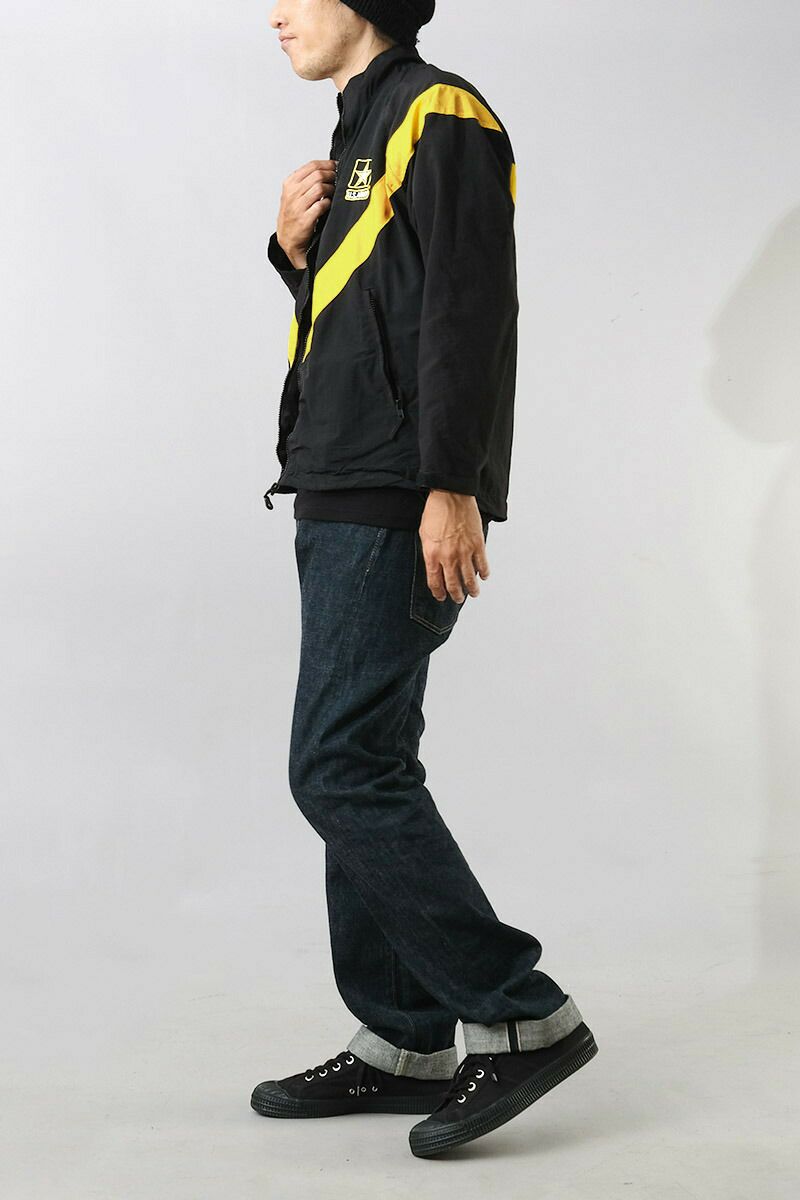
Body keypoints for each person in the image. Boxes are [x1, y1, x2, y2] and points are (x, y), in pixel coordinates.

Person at [251, 0, 598, 1157]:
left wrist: (452, 484)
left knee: (336, 767)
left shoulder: (438, 112)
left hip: (397, 492)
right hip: (339, 481)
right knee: (364, 760)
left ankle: (521, 1014)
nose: (273, 14)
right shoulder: (359, 131)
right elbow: (368, 315)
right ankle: (405, 1038)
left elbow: (465, 308)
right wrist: (292, 256)